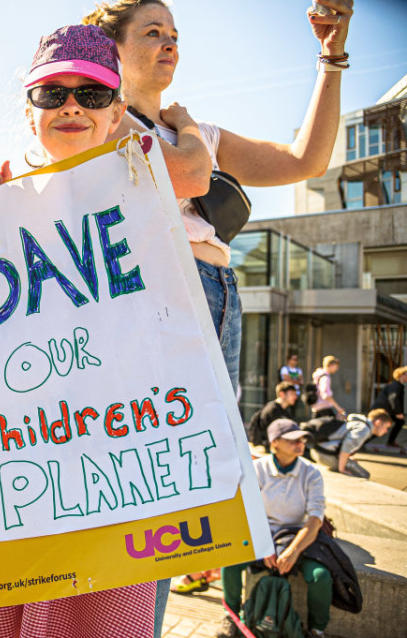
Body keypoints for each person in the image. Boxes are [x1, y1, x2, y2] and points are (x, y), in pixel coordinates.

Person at [0, 24, 156, 637]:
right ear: (31, 116)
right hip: (11, 464)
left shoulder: (151, 192)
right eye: (52, 95)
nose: (72, 105)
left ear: (117, 112)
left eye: (93, 93)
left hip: (110, 467)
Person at [83, 0, 352, 397]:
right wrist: (187, 125)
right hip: (159, 288)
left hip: (222, 292)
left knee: (218, 441)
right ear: (113, 48)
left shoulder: (202, 135)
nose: (170, 45)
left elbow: (306, 161)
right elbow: (187, 176)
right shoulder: (103, 117)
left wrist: (331, 57)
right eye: (153, 33)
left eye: (174, 37)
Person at [217, 419, 331, 638]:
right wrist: (263, 544)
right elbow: (247, 510)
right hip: (261, 535)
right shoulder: (257, 469)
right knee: (230, 561)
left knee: (320, 576)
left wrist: (293, 551)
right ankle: (231, 615)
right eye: (293, 440)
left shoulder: (311, 473)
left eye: (302, 439)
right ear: (275, 443)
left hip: (297, 537)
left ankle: (317, 629)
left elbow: (315, 519)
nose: (300, 443)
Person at [309, 408, 393, 478]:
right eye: (386, 427)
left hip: (320, 451)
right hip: (324, 454)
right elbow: (346, 447)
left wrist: (348, 458)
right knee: (364, 475)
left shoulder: (360, 423)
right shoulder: (364, 429)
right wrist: (342, 469)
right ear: (378, 422)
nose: (386, 431)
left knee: (352, 467)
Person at [247, 381, 299, 451]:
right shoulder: (272, 410)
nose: (295, 397)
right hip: (265, 449)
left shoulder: (285, 412)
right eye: (292, 394)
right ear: (282, 394)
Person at [369, 365, 405, 451]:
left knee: (399, 422)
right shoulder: (395, 386)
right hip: (381, 410)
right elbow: (393, 398)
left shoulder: (398, 385)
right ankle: (362, 441)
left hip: (387, 410)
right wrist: (398, 412)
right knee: (379, 426)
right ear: (401, 375)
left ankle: (391, 442)